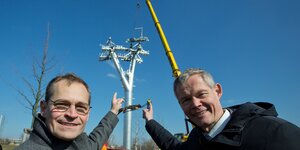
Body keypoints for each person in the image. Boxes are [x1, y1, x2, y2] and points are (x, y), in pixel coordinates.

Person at [143, 68, 300, 150]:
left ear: (217, 91)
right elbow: (173, 147)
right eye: (186, 100)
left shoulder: (274, 132)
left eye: (201, 94)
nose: (195, 104)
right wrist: (150, 121)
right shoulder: (196, 138)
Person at [16, 73, 124, 150]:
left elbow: (101, 133)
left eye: (81, 108)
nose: (72, 114)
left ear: (88, 114)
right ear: (44, 108)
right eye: (62, 105)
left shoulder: (86, 146)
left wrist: (114, 111)